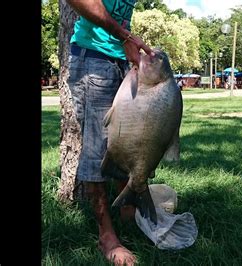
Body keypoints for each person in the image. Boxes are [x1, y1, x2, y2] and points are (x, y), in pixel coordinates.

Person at [66, 0, 155, 265]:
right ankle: (106, 234)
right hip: (93, 57)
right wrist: (126, 36)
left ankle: (128, 212)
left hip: (120, 59)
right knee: (98, 148)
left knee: (128, 141)